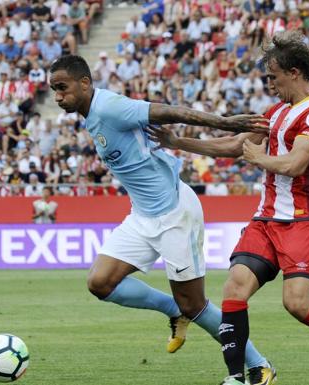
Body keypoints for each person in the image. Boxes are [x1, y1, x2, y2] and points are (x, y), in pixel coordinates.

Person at [148, 31, 309, 385]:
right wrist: (179, 141)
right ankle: (236, 377)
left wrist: (260, 157)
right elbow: (234, 145)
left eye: (273, 76)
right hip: (266, 218)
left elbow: (294, 165)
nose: (268, 83)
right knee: (234, 288)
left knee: (297, 305)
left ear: (294, 72)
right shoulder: (276, 112)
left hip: (304, 220)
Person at [48, 55, 274, 384]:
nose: (58, 97)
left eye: (63, 88)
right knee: (100, 282)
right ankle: (172, 309)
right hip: (142, 216)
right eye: (54, 90)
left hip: (174, 213)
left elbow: (172, 111)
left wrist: (228, 122)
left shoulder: (110, 107)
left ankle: (259, 366)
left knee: (195, 303)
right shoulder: (90, 116)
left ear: (84, 83)